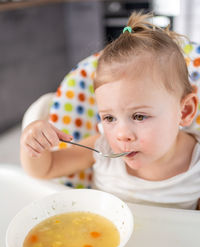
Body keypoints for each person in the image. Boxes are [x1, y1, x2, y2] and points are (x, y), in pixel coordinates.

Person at [20, 11, 200, 210]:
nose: (121, 135)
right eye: (109, 118)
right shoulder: (102, 148)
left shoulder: (196, 162)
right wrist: (33, 146)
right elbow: (46, 169)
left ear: (184, 112)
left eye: (139, 116)